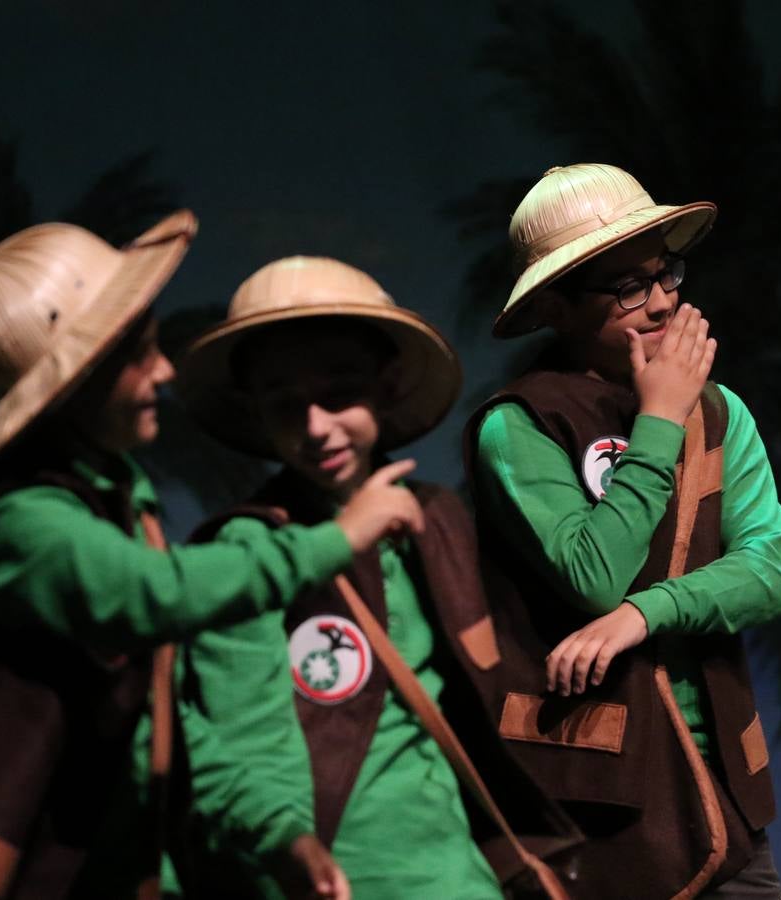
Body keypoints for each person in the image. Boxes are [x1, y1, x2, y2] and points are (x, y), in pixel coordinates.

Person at [0, 216, 414, 899]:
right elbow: (151, 592)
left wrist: (278, 836)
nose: (164, 369)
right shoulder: (15, 521)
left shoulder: (111, 503)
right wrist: (339, 538)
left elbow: (160, 715)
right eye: (139, 353)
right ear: (78, 376)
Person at [172, 256, 578, 899]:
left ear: (386, 387)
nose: (315, 426)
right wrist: (286, 841)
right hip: (323, 883)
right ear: (253, 413)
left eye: (338, 394)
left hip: (458, 877)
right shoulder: (246, 550)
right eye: (284, 404)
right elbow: (238, 737)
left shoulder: (439, 522)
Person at [466, 164, 781, 898]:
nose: (659, 302)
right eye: (625, 287)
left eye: (665, 274)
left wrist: (643, 615)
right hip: (597, 801)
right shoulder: (520, 425)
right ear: (556, 304)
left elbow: (771, 569)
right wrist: (656, 422)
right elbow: (592, 573)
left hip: (723, 795)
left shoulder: (719, 412)